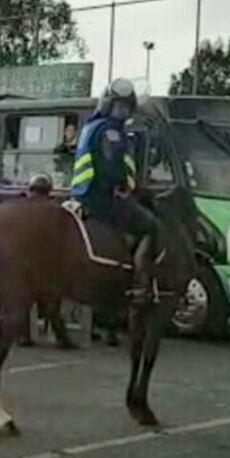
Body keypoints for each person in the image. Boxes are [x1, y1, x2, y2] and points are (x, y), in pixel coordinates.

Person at [70, 78, 159, 306]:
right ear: (109, 106)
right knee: (150, 225)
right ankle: (140, 284)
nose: (123, 112)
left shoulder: (91, 126)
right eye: (120, 107)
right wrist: (120, 185)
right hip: (100, 197)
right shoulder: (111, 131)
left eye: (126, 108)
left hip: (83, 195)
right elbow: (111, 165)